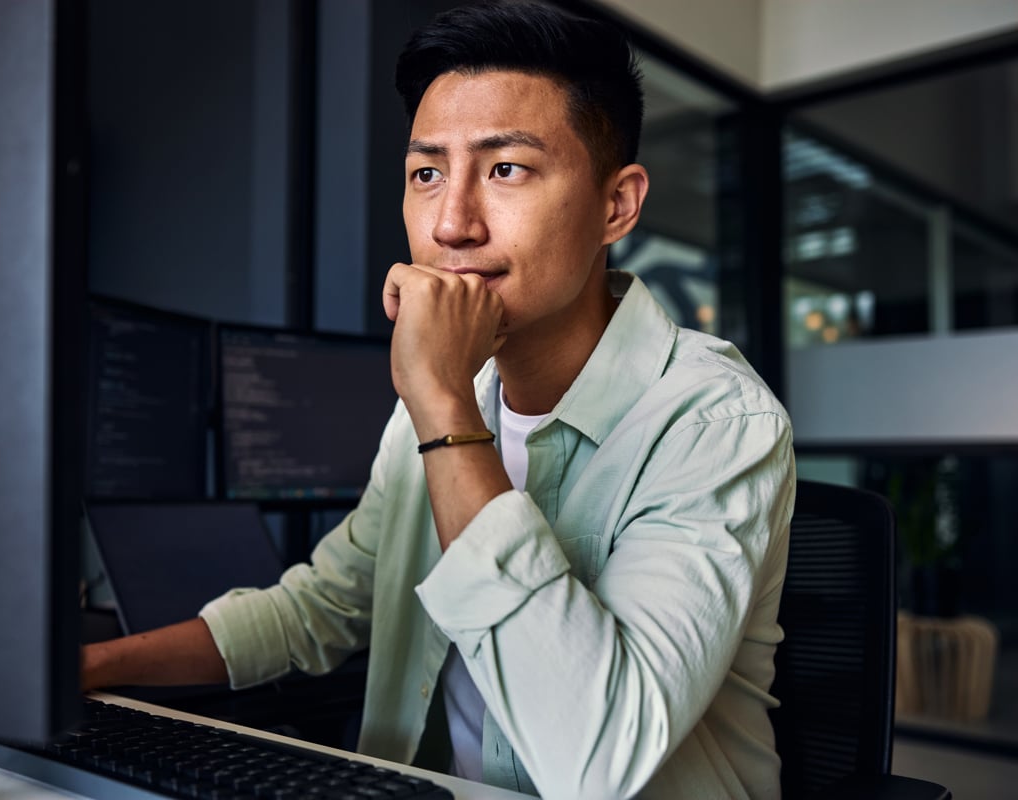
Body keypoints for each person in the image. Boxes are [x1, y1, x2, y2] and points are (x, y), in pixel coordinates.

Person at [82, 2, 795, 798]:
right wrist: (92, 668)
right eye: (426, 173)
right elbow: (320, 607)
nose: (451, 224)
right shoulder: (453, 390)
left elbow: (597, 760)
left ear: (615, 206)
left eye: (505, 169)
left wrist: (441, 403)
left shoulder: (713, 420)